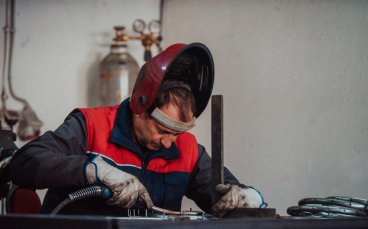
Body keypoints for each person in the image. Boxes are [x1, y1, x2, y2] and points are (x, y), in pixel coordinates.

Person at [7, 43, 266, 216]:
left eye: (176, 133)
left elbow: (227, 192)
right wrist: (91, 170)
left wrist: (249, 197)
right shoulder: (90, 126)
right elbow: (23, 165)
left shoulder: (186, 149)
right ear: (139, 106)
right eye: (162, 130)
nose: (169, 143)